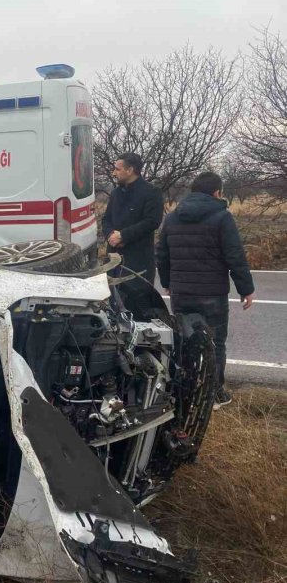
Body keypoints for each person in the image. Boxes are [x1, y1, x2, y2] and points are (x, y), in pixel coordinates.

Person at [156, 171, 254, 410]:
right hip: (212, 295)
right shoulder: (222, 217)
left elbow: (162, 254)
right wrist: (246, 288)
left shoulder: (172, 217)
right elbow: (234, 256)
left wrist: (168, 282)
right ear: (217, 192)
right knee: (215, 343)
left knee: (184, 342)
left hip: (181, 294)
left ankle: (183, 391)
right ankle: (214, 394)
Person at [102, 153, 164, 281]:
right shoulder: (116, 193)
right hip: (113, 259)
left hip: (138, 261)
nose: (114, 173)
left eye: (118, 169)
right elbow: (106, 219)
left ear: (130, 170)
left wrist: (123, 235)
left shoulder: (151, 192)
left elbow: (152, 221)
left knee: (139, 299)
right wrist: (111, 235)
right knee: (114, 298)